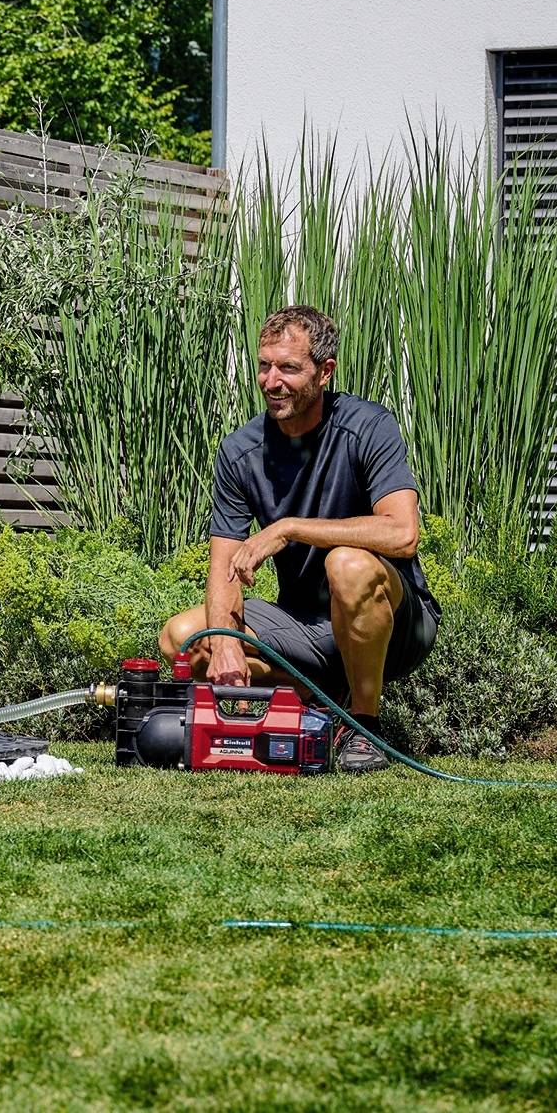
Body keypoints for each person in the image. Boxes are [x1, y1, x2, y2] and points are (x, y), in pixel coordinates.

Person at [158, 305, 440, 771]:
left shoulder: (368, 426)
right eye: (264, 366)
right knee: (185, 639)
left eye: (288, 368)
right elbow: (224, 564)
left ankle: (364, 726)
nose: (272, 381)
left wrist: (289, 528)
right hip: (304, 626)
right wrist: (225, 643)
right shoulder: (240, 452)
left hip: (394, 622)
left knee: (347, 564)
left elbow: (402, 533)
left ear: (324, 372)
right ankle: (318, 697)